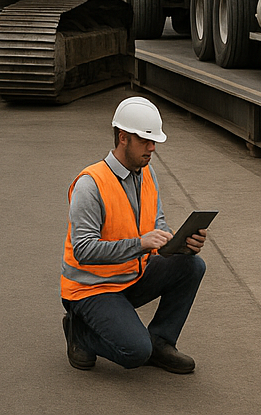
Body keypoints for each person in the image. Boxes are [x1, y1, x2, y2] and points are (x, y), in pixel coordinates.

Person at [60, 96, 207, 373]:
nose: (152, 148)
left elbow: (158, 226)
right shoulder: (90, 185)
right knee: (134, 352)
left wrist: (181, 244)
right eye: (145, 141)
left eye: (154, 142)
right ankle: (78, 330)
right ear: (123, 138)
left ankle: (161, 342)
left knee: (192, 266)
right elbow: (83, 250)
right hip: (91, 288)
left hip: (131, 276)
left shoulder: (146, 173)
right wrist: (140, 244)